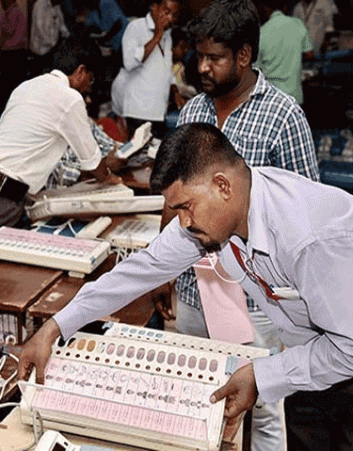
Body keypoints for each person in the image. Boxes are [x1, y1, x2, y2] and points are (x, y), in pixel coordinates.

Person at [18, 122, 353, 450]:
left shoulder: (311, 239)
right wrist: (57, 324)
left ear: (222, 186)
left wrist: (263, 375)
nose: (183, 222)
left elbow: (348, 349)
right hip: (310, 367)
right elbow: (144, 268)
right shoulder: (223, 210)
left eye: (185, 208)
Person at [156, 1, 320, 449]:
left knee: (262, 406)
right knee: (197, 398)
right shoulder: (192, 113)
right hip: (194, 291)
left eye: (215, 57)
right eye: (199, 56)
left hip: (257, 301)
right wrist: (164, 274)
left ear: (244, 55)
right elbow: (173, 200)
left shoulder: (284, 117)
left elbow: (304, 212)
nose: (202, 67)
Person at [0, 39, 121, 245]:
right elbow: (93, 163)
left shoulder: (29, 85)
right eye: (91, 80)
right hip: (5, 196)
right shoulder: (70, 99)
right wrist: (111, 179)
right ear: (80, 72)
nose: (89, 88)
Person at [110, 0, 181, 139]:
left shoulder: (168, 34)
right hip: (138, 110)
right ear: (154, 7)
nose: (171, 19)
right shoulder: (136, 27)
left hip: (159, 110)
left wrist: (175, 91)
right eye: (166, 12)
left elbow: (166, 67)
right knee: (136, 155)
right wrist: (156, 36)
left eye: (174, 15)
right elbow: (129, 63)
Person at [257, 0, 313, 105]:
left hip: (272, 98)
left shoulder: (262, 32)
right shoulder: (298, 24)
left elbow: (257, 70)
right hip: (295, 96)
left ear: (265, 9)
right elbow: (309, 54)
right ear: (285, 8)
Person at [29, 0, 70, 76]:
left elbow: (61, 24)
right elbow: (39, 27)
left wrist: (67, 35)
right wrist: (52, 43)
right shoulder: (40, 4)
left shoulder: (56, 6)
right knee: (39, 76)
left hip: (52, 49)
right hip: (40, 50)